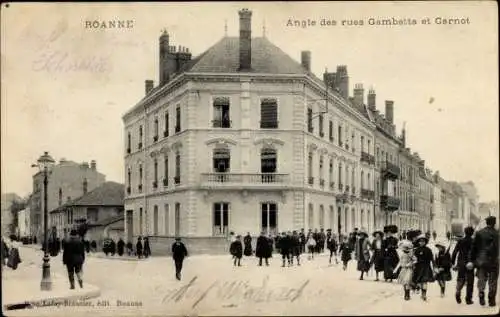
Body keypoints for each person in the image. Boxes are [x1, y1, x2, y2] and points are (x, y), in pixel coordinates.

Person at [469, 216, 499, 307]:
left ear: (486, 223)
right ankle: (491, 299)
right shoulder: (497, 234)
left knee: (481, 278)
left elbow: (473, 248)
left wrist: (472, 260)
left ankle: (481, 292)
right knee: (493, 280)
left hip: (481, 260)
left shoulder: (479, 233)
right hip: (494, 261)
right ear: (494, 223)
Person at [451, 226, 475, 305]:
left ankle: (458, 291)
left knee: (460, 278)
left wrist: (453, 262)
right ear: (472, 233)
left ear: (465, 232)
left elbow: (455, 252)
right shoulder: (473, 241)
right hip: (470, 263)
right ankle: (468, 299)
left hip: (461, 263)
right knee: (470, 281)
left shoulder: (460, 241)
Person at [412, 234, 436, 301]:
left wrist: (435, 267)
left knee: (424, 281)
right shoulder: (416, 250)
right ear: (418, 242)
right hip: (418, 267)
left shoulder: (428, 250)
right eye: (420, 241)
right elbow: (413, 258)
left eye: (423, 241)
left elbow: (432, 259)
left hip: (426, 267)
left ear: (425, 242)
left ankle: (424, 295)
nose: (421, 242)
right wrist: (413, 265)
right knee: (419, 281)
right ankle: (419, 289)